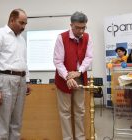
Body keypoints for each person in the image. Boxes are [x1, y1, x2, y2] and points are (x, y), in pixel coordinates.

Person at [0, 9, 31, 140]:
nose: (23, 27)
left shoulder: (21, 39)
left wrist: (26, 80)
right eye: (21, 23)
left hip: (20, 81)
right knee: (2, 125)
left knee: (16, 124)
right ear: (11, 20)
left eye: (25, 24)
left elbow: (24, 61)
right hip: (4, 80)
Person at [53, 11, 93, 140]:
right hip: (63, 78)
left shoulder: (87, 37)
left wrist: (79, 71)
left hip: (80, 77)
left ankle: (80, 138)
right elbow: (58, 61)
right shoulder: (61, 37)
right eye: (78, 28)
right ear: (71, 25)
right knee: (65, 112)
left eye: (83, 27)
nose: (81, 31)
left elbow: (88, 57)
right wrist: (67, 77)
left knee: (80, 110)